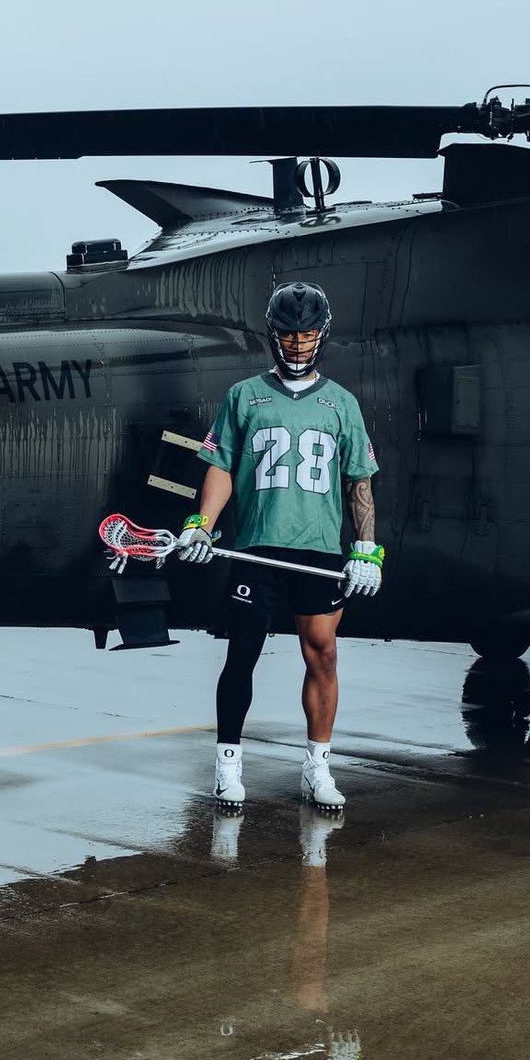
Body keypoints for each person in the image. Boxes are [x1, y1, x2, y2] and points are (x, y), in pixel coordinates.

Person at [176, 281, 383, 810]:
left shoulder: (342, 403)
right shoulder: (244, 396)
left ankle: (317, 768)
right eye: (289, 334)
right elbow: (220, 467)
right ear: (274, 336)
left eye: (307, 333)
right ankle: (228, 768)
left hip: (315, 551)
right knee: (241, 653)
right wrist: (201, 524)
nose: (298, 343)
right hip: (254, 548)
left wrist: (366, 551)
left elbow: (359, 482)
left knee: (324, 655)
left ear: (322, 335)